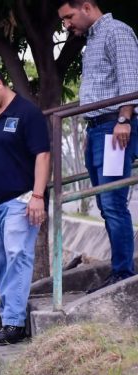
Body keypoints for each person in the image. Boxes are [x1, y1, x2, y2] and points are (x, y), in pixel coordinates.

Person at [58, 0, 138, 293]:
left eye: (69, 17)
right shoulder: (91, 39)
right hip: (97, 129)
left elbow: (131, 80)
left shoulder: (117, 31)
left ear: (87, 7)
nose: (67, 24)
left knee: (113, 202)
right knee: (104, 203)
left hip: (115, 126)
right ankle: (119, 269)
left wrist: (123, 120)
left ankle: (123, 273)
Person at [0, 64, 51, 345]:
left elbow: (42, 155)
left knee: (18, 253)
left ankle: (14, 322)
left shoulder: (28, 113)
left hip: (23, 197)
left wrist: (38, 196)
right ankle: (9, 314)